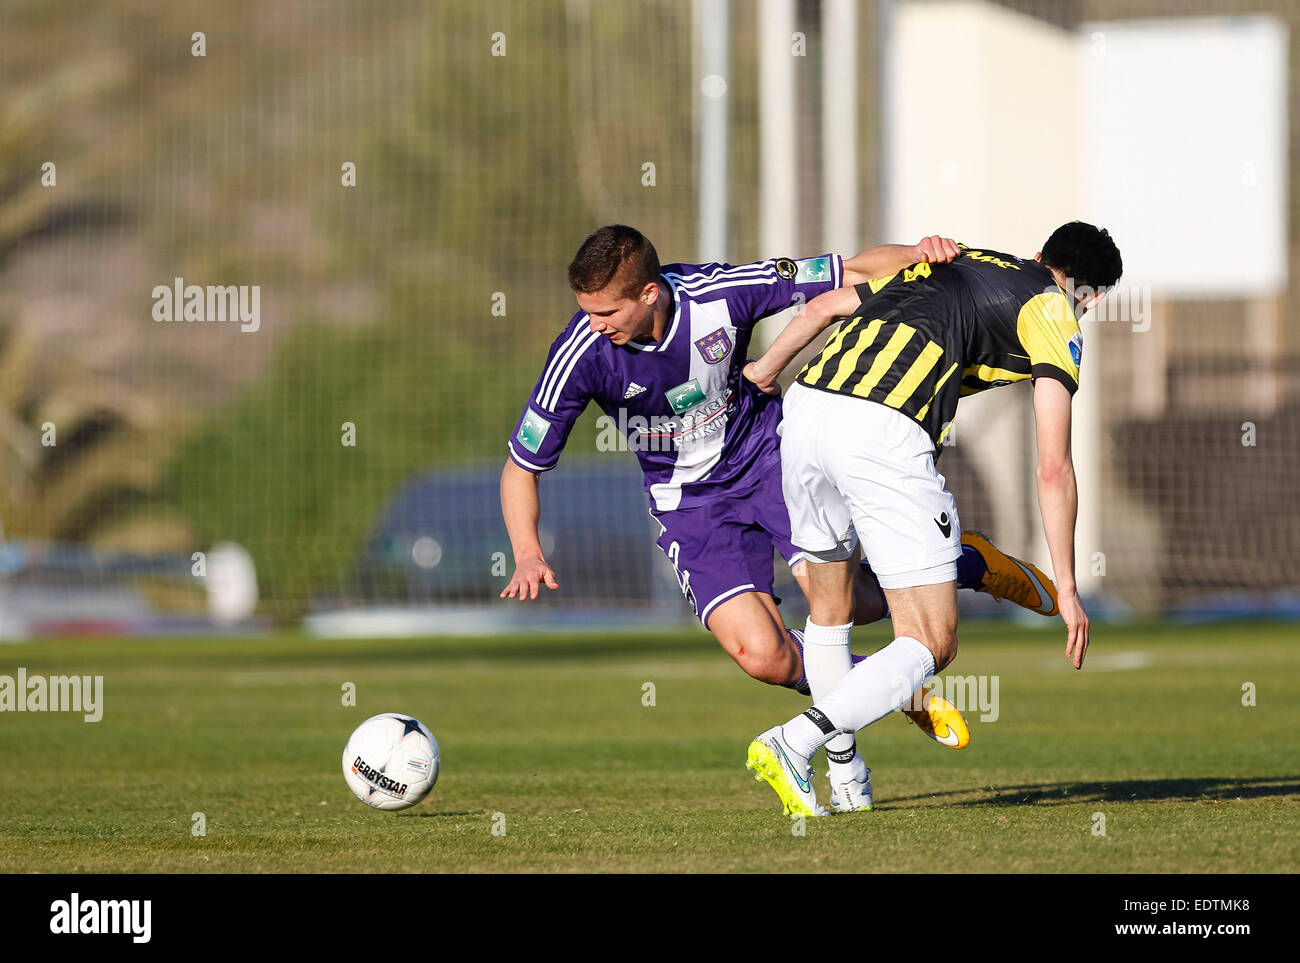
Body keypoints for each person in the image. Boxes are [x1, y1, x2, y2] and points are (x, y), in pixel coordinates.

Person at [502, 225, 1063, 812]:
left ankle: (969, 564)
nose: (594, 324)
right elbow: (521, 466)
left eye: (604, 311)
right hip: (688, 504)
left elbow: (847, 271)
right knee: (762, 657)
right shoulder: (581, 354)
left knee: (855, 604)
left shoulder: (717, 294)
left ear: (649, 293)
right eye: (585, 311)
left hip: (770, 461)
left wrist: (923, 256)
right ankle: (889, 686)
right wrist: (527, 550)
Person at [740, 222, 1122, 817]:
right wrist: (1067, 588)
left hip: (808, 408)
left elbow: (823, 308)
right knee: (931, 640)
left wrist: (764, 371)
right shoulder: (1057, 310)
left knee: (829, 610)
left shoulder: (950, 260)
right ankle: (794, 740)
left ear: (1039, 252)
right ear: (1092, 295)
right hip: (881, 429)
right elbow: (1054, 467)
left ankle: (847, 783)